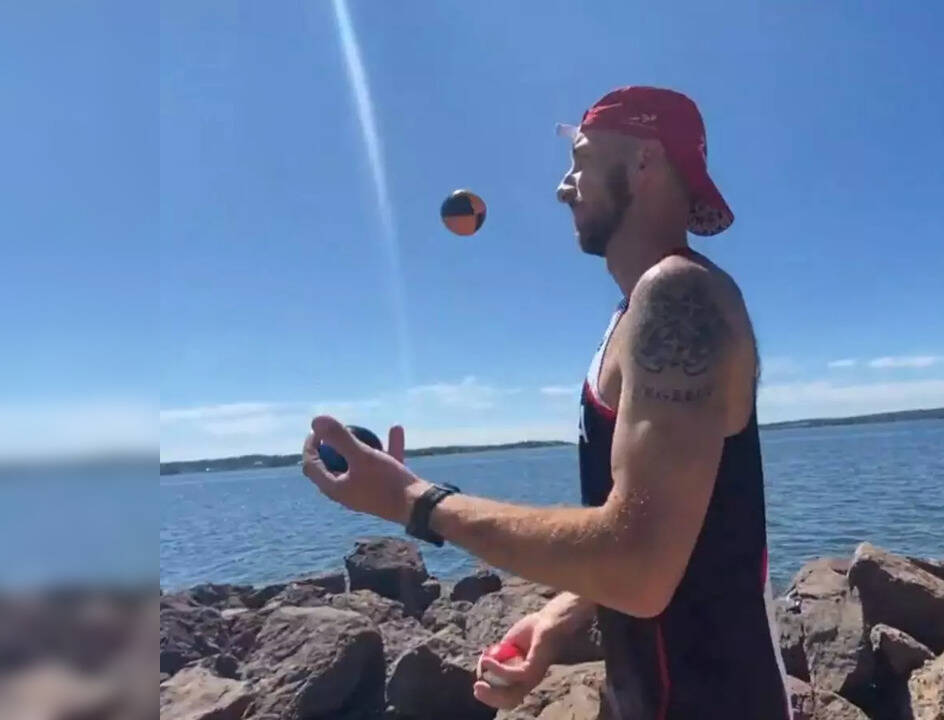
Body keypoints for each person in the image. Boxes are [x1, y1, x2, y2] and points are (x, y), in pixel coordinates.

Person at [301, 86, 791, 719]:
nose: (563, 187)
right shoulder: (635, 314)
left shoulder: (679, 297)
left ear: (644, 161)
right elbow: (674, 524)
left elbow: (640, 564)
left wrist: (416, 501)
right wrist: (559, 618)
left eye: (580, 159)